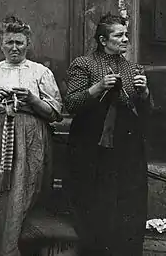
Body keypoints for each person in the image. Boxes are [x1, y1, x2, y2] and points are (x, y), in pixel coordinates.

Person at [0, 15, 62, 256]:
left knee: (22, 196)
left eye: (19, 42)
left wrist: (31, 98)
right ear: (1, 44)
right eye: (9, 43)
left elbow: (54, 113)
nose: (14, 47)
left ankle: (14, 250)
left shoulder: (40, 73)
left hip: (29, 144)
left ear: (28, 43)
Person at [65, 13, 152, 256]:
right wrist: (98, 87)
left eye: (126, 35)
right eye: (119, 35)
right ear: (103, 40)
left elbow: (146, 113)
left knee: (128, 203)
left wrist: (144, 93)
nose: (126, 40)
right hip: (91, 145)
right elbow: (70, 104)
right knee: (96, 204)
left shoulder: (133, 67)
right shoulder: (84, 64)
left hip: (127, 147)